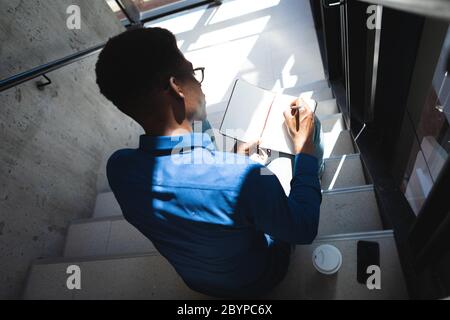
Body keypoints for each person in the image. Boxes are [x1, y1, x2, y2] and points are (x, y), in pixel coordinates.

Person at [95, 27, 322, 298]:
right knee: (291, 161)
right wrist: (305, 149)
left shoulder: (118, 169)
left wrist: (225, 163)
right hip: (259, 279)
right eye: (193, 74)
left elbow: (192, 195)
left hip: (198, 283)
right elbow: (304, 229)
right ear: (176, 87)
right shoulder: (247, 178)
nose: (199, 83)